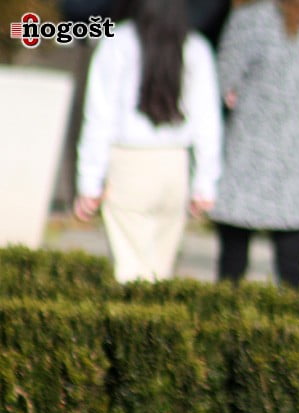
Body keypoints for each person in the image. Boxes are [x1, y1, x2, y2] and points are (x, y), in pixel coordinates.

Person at [74, 0, 221, 283]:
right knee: (160, 270)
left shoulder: (117, 43)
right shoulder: (195, 48)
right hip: (175, 164)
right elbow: (207, 121)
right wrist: (205, 183)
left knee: (129, 270)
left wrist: (89, 182)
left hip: (129, 163)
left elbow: (99, 117)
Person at [209, 0, 299, 289]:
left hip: (252, 148)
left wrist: (233, 93)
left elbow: (223, 77)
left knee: (232, 266)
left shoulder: (249, 18)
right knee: (292, 270)